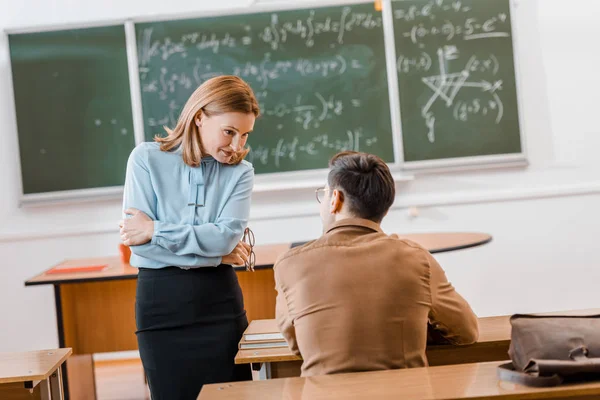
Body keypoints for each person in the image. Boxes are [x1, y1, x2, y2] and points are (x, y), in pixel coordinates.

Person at [274, 151, 479, 377]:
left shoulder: (289, 265)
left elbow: (297, 346)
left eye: (324, 194)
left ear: (335, 199)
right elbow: (466, 332)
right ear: (386, 207)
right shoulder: (417, 258)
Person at [119, 75, 259, 399]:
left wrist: (155, 229)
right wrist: (215, 255)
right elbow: (140, 249)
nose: (237, 145)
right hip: (160, 307)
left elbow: (224, 238)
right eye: (229, 132)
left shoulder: (241, 173)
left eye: (245, 135)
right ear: (199, 117)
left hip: (219, 307)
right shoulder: (144, 159)